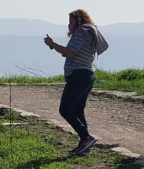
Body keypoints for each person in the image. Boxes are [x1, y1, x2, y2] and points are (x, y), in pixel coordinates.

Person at [43, 9, 107, 156]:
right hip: (87, 75)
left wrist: (53, 44)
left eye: (72, 21)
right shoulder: (91, 32)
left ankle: (86, 137)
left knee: (65, 109)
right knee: (78, 111)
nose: (69, 25)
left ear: (79, 20)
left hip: (78, 76)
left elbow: (69, 52)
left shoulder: (81, 32)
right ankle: (84, 146)